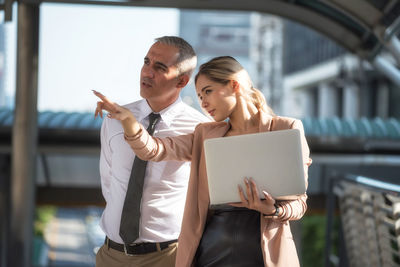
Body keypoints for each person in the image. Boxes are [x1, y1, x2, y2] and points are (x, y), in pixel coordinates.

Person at [94, 56, 312, 267]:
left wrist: (273, 210)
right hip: (212, 252)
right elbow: (155, 149)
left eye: (208, 92)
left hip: (264, 253)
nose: (203, 103)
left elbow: (299, 203)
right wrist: (130, 122)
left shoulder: (286, 129)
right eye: (199, 96)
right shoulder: (205, 135)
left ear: (234, 85)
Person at [94, 36, 209, 267]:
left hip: (167, 257)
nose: (147, 72)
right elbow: (109, 182)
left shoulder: (200, 129)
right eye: (146, 62)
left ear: (182, 81)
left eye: (159, 67)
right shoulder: (115, 120)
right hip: (111, 255)